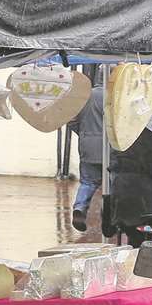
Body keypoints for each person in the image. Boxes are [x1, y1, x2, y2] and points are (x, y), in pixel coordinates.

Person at [69, 83, 105, 235]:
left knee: (88, 181)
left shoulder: (83, 96)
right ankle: (111, 216)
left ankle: (79, 208)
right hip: (110, 147)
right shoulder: (116, 96)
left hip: (87, 145)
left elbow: (71, 120)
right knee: (113, 182)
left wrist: (83, 133)